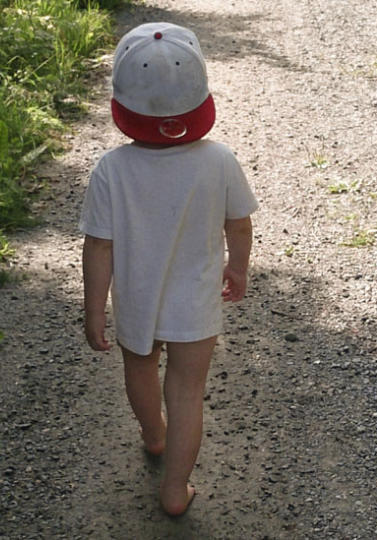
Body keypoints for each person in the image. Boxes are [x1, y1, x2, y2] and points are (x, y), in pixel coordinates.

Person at [79, 22, 258, 517]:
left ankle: (152, 436)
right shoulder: (219, 161)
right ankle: (176, 488)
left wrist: (94, 310)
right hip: (195, 304)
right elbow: (238, 225)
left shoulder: (111, 171)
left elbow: (99, 246)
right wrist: (236, 269)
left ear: (123, 104)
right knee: (187, 391)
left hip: (136, 300)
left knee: (139, 368)